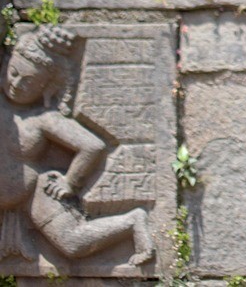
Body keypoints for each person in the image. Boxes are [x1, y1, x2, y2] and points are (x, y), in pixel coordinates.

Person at [0, 25, 154, 265]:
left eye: (29, 82)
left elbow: (92, 146)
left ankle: (133, 221)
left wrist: (70, 182)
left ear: (47, 88)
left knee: (73, 243)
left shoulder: (43, 119)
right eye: (14, 73)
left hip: (34, 195)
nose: (16, 84)